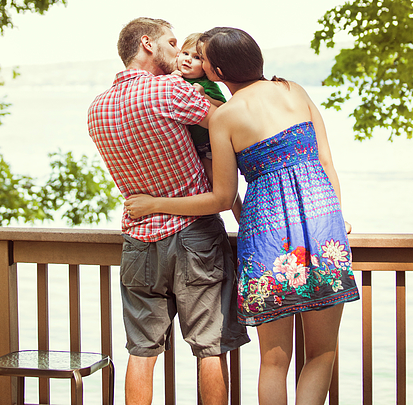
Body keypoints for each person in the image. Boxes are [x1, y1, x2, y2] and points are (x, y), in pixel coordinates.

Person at [125, 26, 360, 405]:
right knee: (322, 352)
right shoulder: (294, 91)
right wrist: (337, 216)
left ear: (216, 71)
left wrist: (154, 203)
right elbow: (326, 162)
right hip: (322, 227)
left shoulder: (225, 117)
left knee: (272, 362)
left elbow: (221, 198)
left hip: (267, 239)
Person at [87, 18, 249, 405]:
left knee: (141, 351)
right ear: (147, 43)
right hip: (195, 239)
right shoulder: (168, 90)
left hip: (139, 241)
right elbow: (228, 123)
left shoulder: (97, 109)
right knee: (209, 348)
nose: (178, 53)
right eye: (172, 43)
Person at [175, 32, 226, 180]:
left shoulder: (207, 84)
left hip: (207, 143)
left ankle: (230, 203)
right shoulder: (173, 78)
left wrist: (204, 96)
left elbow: (223, 106)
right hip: (188, 146)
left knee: (214, 178)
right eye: (185, 53)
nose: (188, 60)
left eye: (196, 57)